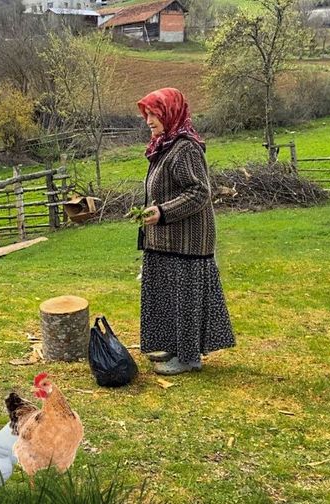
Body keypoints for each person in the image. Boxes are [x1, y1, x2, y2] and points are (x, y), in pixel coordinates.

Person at [136, 88, 235, 375]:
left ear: (170, 113)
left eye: (154, 114)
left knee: (186, 298)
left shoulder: (185, 148)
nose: (149, 121)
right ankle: (176, 346)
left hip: (188, 240)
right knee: (169, 295)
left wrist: (164, 212)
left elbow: (199, 192)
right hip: (167, 238)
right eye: (147, 115)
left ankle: (189, 357)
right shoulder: (164, 145)